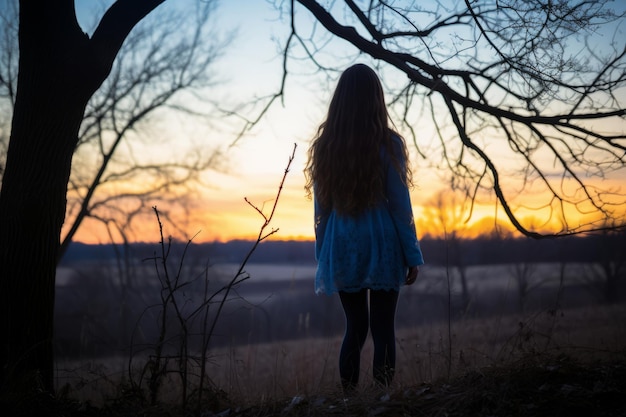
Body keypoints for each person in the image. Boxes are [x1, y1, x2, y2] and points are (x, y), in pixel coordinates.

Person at [304, 63, 425, 393]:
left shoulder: (326, 147)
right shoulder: (390, 144)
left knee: (355, 327)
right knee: (383, 327)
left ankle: (349, 403)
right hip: (382, 242)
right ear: (376, 99)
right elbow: (401, 207)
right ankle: (383, 400)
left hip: (342, 245)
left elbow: (321, 211)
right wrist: (412, 254)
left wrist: (323, 255)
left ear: (339, 100)